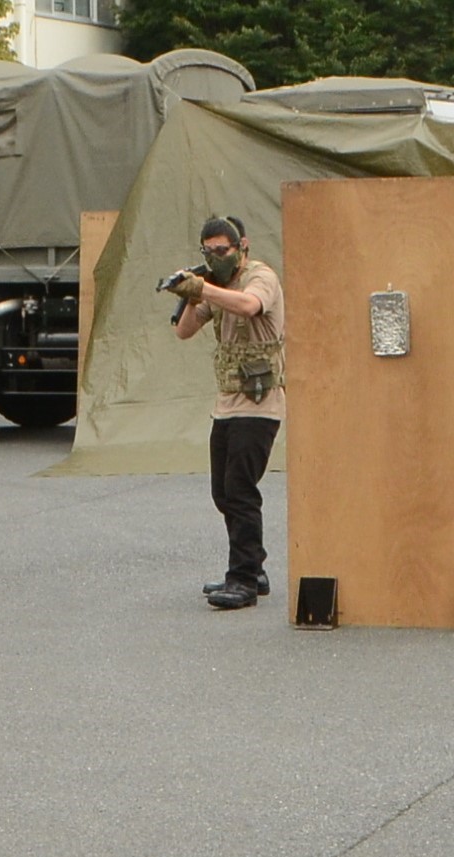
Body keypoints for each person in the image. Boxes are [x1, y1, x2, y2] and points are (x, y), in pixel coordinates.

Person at [166, 215, 287, 611]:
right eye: (209, 251)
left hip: (260, 402)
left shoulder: (259, 277)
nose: (216, 257)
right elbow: (183, 332)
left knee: (240, 490)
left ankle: (243, 580)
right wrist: (189, 293)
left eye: (223, 250)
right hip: (228, 403)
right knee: (223, 491)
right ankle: (255, 567)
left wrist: (206, 288)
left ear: (242, 247)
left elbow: (250, 305)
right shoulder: (214, 286)